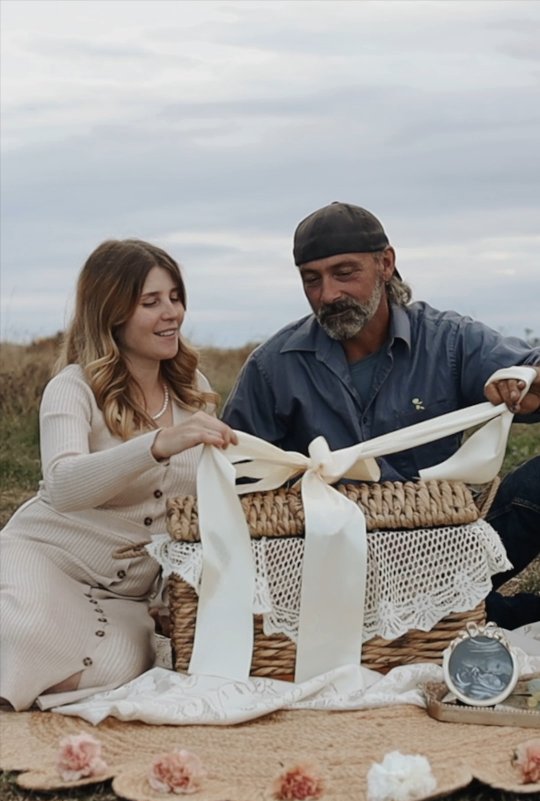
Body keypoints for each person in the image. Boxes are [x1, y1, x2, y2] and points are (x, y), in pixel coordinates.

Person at [222, 202, 540, 628]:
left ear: (386, 264)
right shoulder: (272, 366)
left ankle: (450, 617)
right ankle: (466, 622)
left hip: (449, 548)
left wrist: (521, 383)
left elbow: (530, 370)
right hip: (325, 567)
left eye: (344, 272)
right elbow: (234, 476)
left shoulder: (448, 341)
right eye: (311, 279)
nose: (328, 294)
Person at [0, 239, 237, 711]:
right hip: (47, 558)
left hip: (127, 595)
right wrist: (154, 445)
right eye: (151, 302)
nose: (171, 312)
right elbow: (64, 485)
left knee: (116, 670)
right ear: (112, 313)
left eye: (175, 297)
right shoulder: (72, 388)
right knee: (26, 637)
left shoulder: (195, 393)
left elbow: (196, 512)